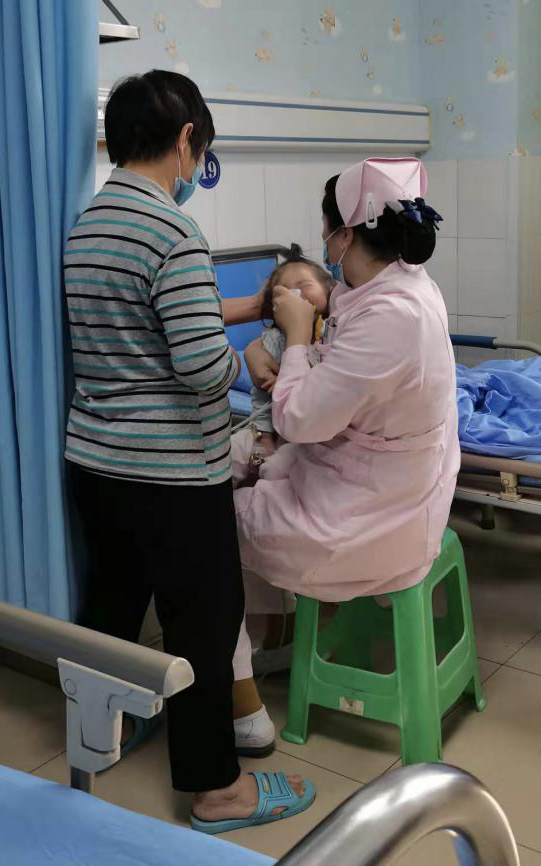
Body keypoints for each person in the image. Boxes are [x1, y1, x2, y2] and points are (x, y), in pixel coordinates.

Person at [65, 69, 314, 834]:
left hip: (98, 461)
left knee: (112, 604)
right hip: (172, 472)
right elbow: (201, 366)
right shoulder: (175, 233)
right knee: (204, 621)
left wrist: (256, 303)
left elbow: (148, 317)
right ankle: (216, 790)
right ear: (184, 141)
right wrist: (261, 354)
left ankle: (101, 733)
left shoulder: (89, 223)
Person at [233, 157, 460, 708]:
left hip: (370, 518)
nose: (320, 237)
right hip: (384, 485)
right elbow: (342, 374)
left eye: (325, 225)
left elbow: (297, 419)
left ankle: (239, 689)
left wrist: (297, 336)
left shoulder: (391, 316)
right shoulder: (395, 286)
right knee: (246, 477)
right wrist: (265, 346)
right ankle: (272, 636)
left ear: (346, 234)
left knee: (208, 524)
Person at [232, 244, 333, 484]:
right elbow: (261, 396)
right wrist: (263, 435)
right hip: (269, 428)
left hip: (311, 437)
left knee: (276, 470)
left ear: (330, 291)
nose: (295, 295)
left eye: (305, 286)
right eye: (284, 291)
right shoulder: (273, 340)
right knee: (228, 457)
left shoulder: (334, 335)